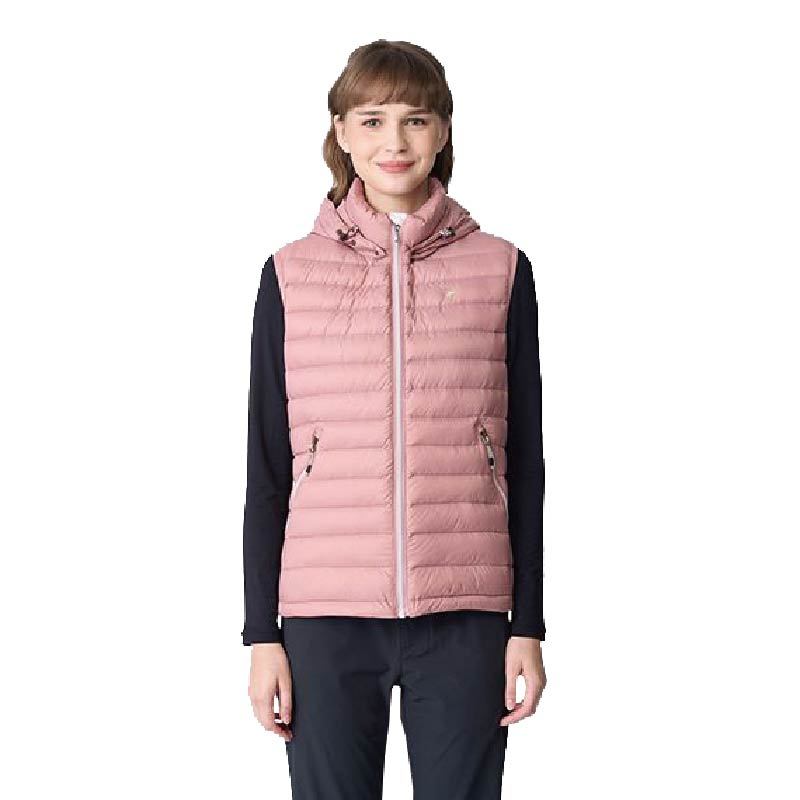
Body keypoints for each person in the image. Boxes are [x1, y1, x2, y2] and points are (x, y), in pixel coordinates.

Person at [242, 39, 547, 800]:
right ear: (341, 132)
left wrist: (528, 623)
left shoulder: (501, 269)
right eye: (373, 120)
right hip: (324, 615)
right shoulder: (290, 274)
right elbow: (266, 467)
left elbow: (526, 460)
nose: (395, 141)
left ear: (442, 130)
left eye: (415, 119)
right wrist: (261, 635)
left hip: (466, 607)